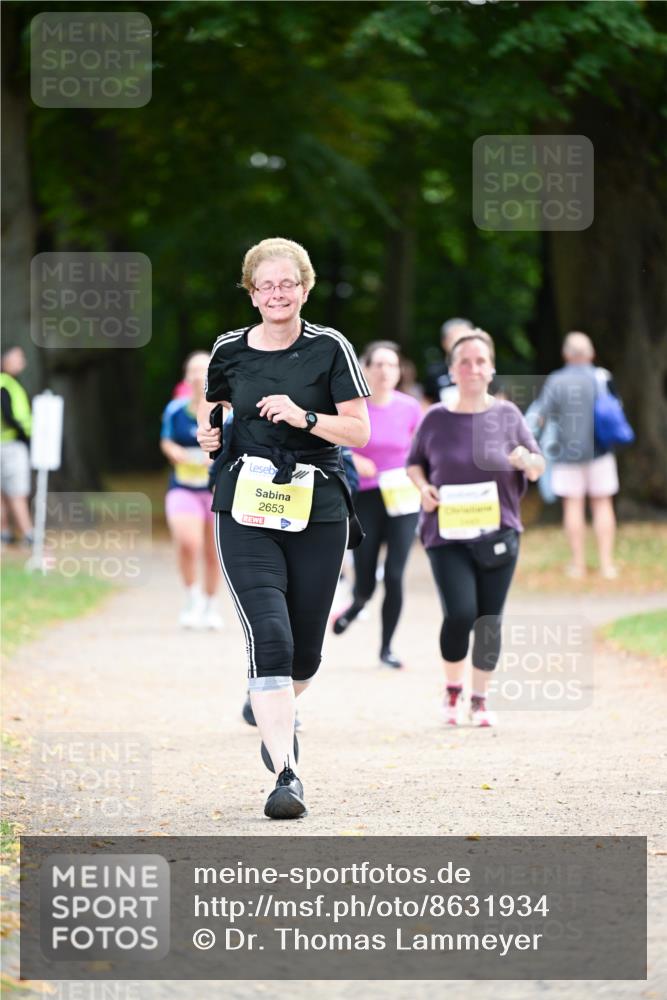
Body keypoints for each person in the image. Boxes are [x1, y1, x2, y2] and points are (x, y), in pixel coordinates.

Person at [197, 237, 370, 820]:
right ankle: (286, 772)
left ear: (305, 288)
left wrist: (305, 418)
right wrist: (210, 435)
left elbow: (360, 432)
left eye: (287, 283)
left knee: (305, 654)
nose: (277, 293)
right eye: (265, 285)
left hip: (316, 507)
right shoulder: (228, 349)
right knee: (269, 635)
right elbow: (214, 406)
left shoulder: (330, 349)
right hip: (245, 505)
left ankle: (270, 698)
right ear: (251, 293)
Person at [407, 331, 544, 727]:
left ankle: (480, 698)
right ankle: (453, 689)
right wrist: (424, 488)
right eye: (464, 361)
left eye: (481, 361)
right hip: (446, 534)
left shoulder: (507, 416)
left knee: (489, 619)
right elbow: (413, 462)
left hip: (498, 532)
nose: (473, 368)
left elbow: (538, 466)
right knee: (461, 613)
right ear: (452, 370)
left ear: (492, 368)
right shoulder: (435, 418)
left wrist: (525, 460)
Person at [332, 341, 422, 669]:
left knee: (396, 574)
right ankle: (356, 605)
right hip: (367, 497)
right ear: (366, 370)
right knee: (367, 578)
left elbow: (421, 449)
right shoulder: (355, 407)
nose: (385, 371)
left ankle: (387, 648)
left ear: (400, 372)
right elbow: (334, 443)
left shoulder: (411, 407)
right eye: (378, 365)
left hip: (402, 497)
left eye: (391, 365)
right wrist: (354, 458)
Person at [532, 332, 620, 580]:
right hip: (600, 451)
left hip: (566, 454)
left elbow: (542, 414)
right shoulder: (602, 377)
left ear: (566, 355)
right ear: (590, 354)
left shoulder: (556, 381)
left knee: (573, 506)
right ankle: (606, 565)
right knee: (603, 504)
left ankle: (578, 565)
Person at [161, 352, 223, 629]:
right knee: (189, 543)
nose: (199, 376)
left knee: (213, 551)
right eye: (194, 371)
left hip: (215, 490)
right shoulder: (176, 410)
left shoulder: (226, 412)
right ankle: (192, 597)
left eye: (204, 370)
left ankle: (210, 604)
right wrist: (176, 453)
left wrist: (215, 458)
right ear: (187, 376)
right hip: (182, 487)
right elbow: (166, 441)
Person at [0, 346, 33, 546]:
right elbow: (9, 414)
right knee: (17, 492)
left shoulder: (9, 383)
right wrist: (24, 435)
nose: (22, 362)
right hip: (11, 445)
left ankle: (4, 534)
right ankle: (29, 534)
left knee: (3, 493)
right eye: (18, 357)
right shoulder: (5, 384)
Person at [422, 317, 474, 406]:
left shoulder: (483, 370)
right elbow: (427, 404)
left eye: (465, 339)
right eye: (455, 339)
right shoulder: (434, 373)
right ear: (444, 342)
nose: (461, 344)